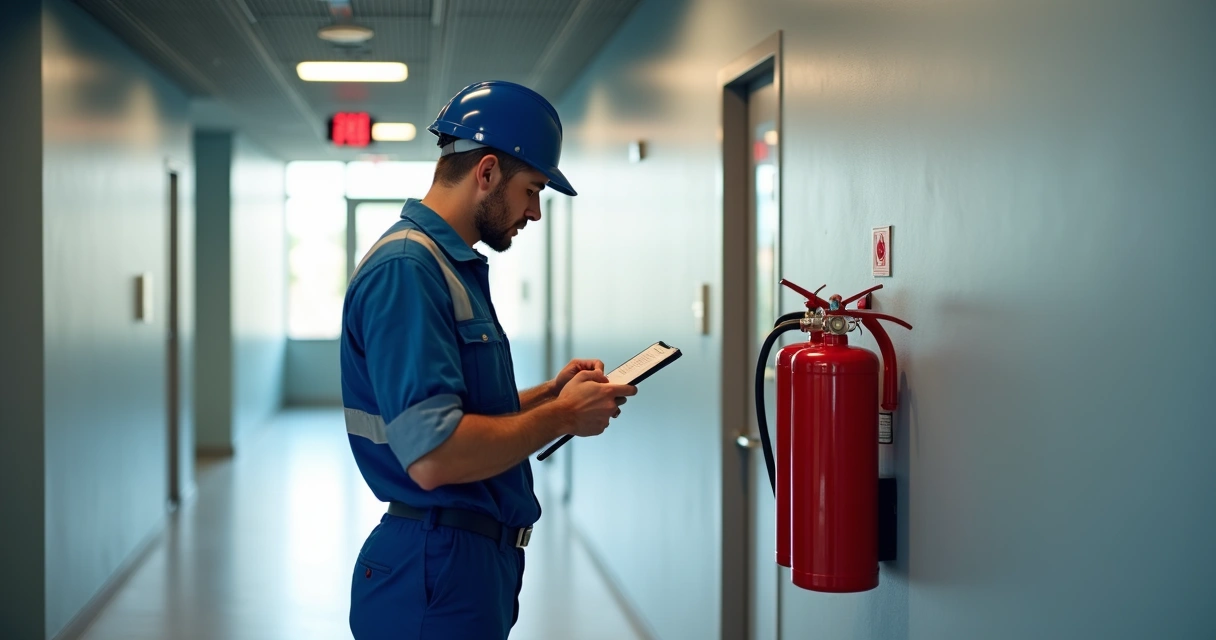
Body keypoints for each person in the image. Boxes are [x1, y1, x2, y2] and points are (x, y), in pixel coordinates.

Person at [340, 80, 638, 639]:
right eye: (533, 190)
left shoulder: (448, 267)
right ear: (487, 172)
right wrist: (564, 416)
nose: (535, 212)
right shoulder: (409, 270)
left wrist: (550, 395)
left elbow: (459, 412)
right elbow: (433, 455)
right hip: (434, 570)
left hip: (463, 565)